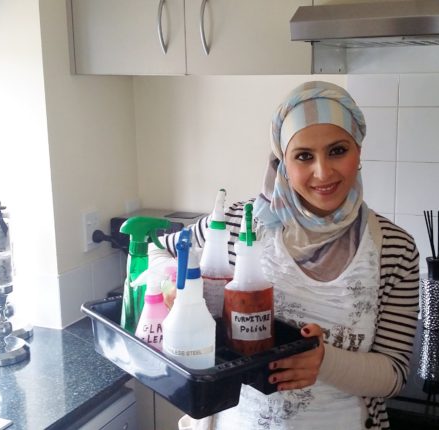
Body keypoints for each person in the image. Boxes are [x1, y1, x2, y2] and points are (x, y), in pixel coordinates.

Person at [153, 81, 419, 430]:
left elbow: (394, 374)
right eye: (304, 156)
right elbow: (158, 248)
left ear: (358, 151)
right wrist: (176, 287)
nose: (323, 172)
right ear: (282, 162)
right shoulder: (235, 223)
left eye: (338, 151)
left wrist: (325, 362)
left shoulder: (394, 248)